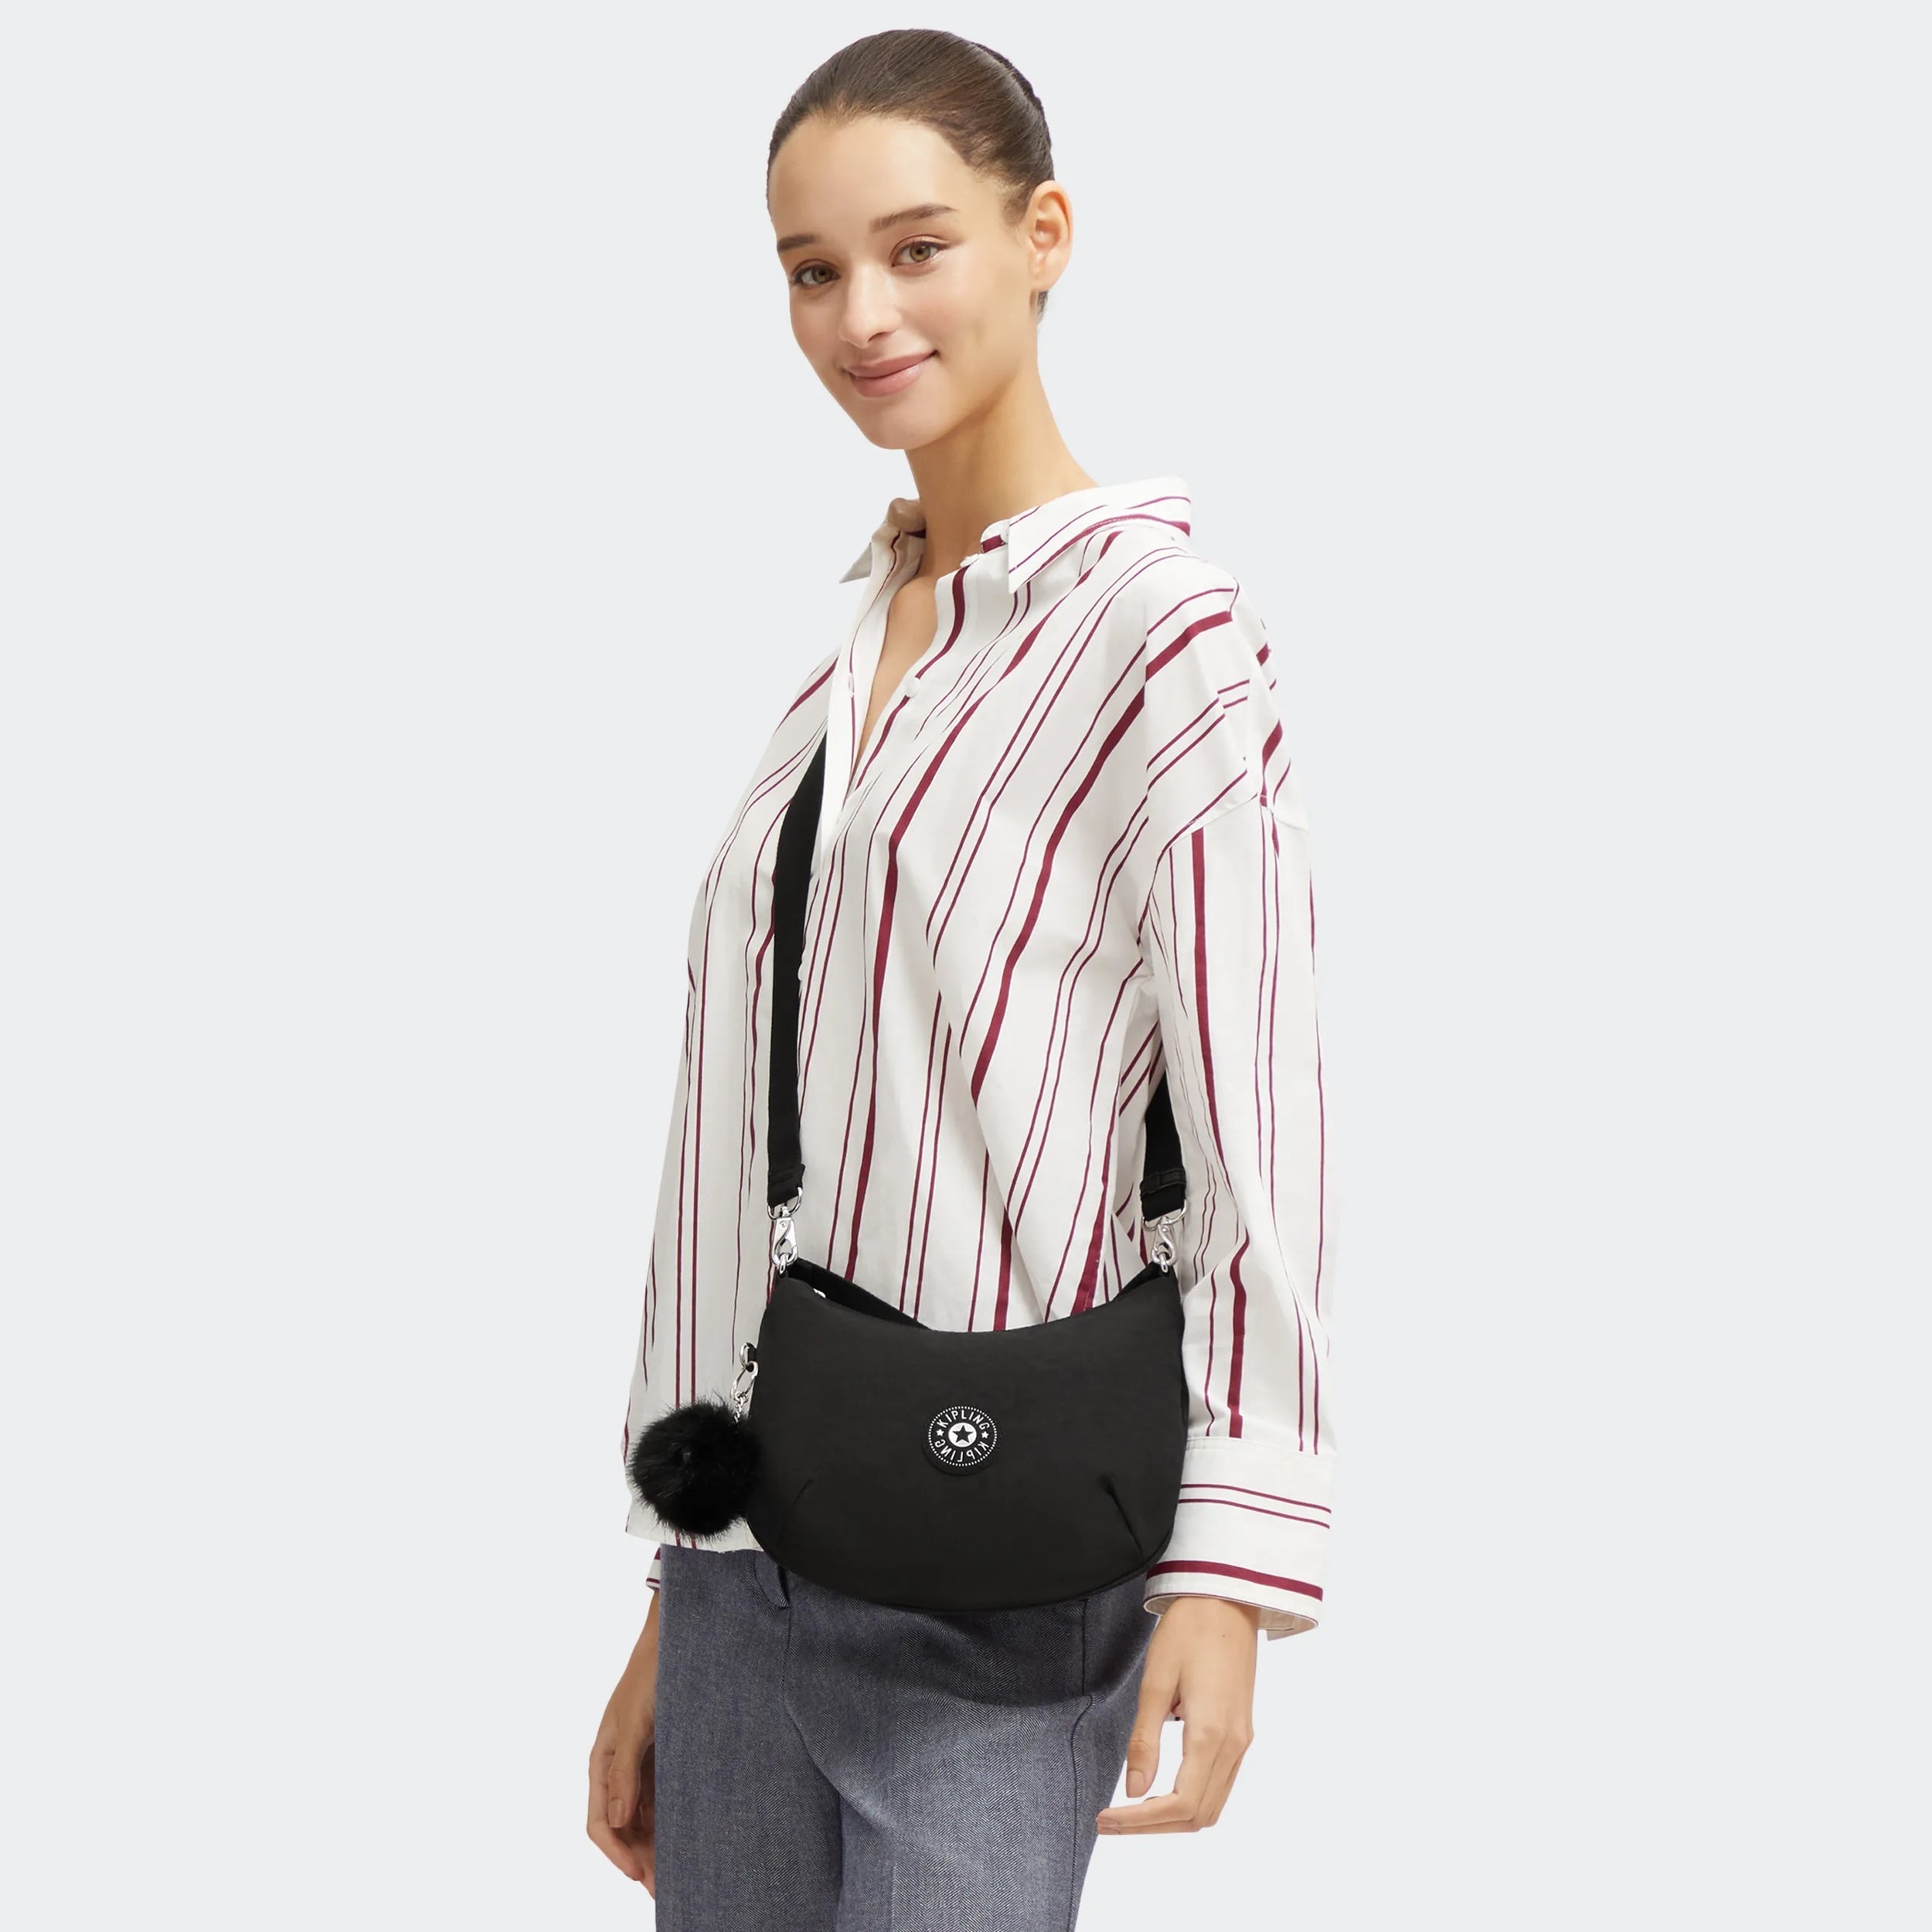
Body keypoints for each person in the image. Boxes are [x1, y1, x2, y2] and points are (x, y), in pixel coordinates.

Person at [587, 28, 1335, 1928]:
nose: (860, 315)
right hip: (751, 1578)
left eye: (915, 248)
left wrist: (1229, 1562)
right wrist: (681, 1582)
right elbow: (747, 1146)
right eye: (810, 268)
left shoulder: (1156, 633)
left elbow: (1252, 1113)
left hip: (993, 1573)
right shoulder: (849, 658)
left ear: (1041, 234)